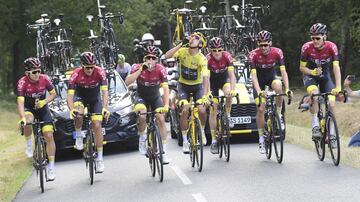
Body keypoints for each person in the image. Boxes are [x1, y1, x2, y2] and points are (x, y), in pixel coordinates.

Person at [164, 32, 211, 153]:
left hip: (197, 86)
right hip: (183, 86)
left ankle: (202, 130)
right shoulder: (182, 51)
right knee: (185, 109)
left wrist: (205, 96)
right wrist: (180, 45)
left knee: (201, 109)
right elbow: (166, 56)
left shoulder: (202, 58)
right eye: (191, 37)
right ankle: (185, 140)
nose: (191, 39)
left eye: (195, 38)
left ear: (200, 44)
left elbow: (205, 78)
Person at [125, 46, 171, 164]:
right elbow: (127, 82)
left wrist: (166, 105)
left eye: (153, 58)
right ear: (144, 58)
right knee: (142, 115)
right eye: (148, 58)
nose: (150, 60)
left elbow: (166, 89)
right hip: (141, 97)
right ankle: (142, 137)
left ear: (156, 60)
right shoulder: (136, 67)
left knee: (160, 118)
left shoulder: (161, 69)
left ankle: (164, 152)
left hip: (155, 97)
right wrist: (141, 70)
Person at [67, 52, 109, 173]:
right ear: (82, 65)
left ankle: (100, 158)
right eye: (87, 67)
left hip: (95, 98)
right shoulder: (75, 74)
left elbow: (105, 92)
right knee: (78, 113)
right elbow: (70, 96)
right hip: (80, 97)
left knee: (97, 125)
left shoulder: (100, 72)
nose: (90, 70)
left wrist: (105, 107)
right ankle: (79, 134)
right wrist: (71, 110)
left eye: (92, 67)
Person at [249, 30, 291, 154]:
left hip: (271, 77)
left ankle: (279, 115)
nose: (264, 48)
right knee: (261, 109)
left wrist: (287, 88)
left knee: (278, 86)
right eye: (261, 45)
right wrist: (259, 91)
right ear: (258, 44)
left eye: (266, 44)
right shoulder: (253, 55)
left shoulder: (277, 52)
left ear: (270, 43)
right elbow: (254, 76)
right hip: (259, 82)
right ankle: (261, 138)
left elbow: (283, 72)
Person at [17, 57, 57, 180]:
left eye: (39, 70)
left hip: (43, 108)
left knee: (49, 135)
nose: (38, 74)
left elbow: (53, 93)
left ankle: (51, 167)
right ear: (27, 73)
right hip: (29, 109)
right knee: (28, 121)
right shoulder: (22, 82)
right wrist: (23, 117)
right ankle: (29, 144)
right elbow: (20, 101)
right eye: (34, 72)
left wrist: (44, 101)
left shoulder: (44, 79)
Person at [299, 23, 342, 139]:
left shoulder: (332, 47)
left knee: (332, 103)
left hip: (325, 77)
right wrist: (312, 72)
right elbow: (301, 68)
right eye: (312, 38)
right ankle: (315, 125)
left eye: (317, 38)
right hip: (310, 76)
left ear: (324, 36)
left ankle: (332, 133)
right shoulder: (306, 47)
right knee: (314, 95)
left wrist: (338, 87)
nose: (315, 41)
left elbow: (336, 67)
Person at [206, 37, 237, 154]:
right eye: (214, 50)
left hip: (224, 79)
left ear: (222, 49)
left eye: (219, 50)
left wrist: (233, 90)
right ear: (210, 50)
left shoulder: (227, 56)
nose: (217, 53)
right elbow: (206, 79)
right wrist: (208, 92)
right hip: (211, 82)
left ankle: (228, 115)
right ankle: (214, 140)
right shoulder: (207, 59)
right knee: (213, 109)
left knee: (228, 93)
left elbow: (232, 75)